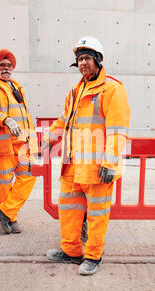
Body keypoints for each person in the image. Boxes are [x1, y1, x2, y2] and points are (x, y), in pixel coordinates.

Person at [43, 36, 130, 275]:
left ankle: (93, 256)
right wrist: (48, 139)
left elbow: (117, 130)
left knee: (97, 214)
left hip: (97, 167)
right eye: (80, 59)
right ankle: (71, 251)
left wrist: (110, 162)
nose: (83, 63)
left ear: (98, 61)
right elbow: (64, 120)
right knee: (69, 211)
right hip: (72, 166)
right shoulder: (75, 90)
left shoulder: (112, 88)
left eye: (87, 58)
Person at [0, 48, 37, 234]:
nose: (6, 68)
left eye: (9, 65)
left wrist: (34, 142)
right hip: (3, 143)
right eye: (2, 65)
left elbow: (26, 115)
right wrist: (5, 119)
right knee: (3, 183)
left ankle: (6, 211)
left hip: (24, 142)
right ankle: (11, 219)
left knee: (28, 177)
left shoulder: (17, 86)